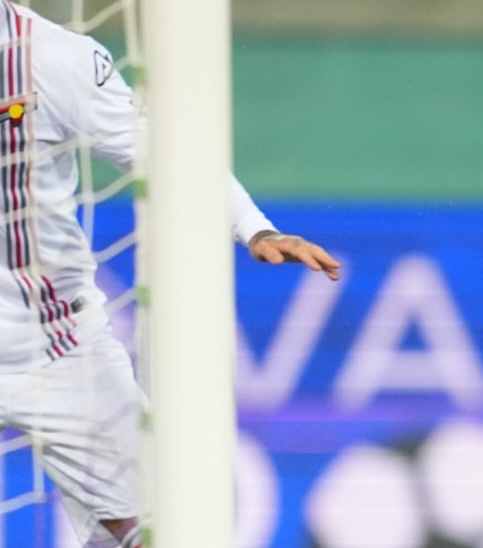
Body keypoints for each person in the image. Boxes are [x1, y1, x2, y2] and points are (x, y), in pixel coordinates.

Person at [0, 2, 341, 547]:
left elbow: (167, 156)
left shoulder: (50, 57)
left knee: (160, 529)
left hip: (54, 347)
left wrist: (254, 228)